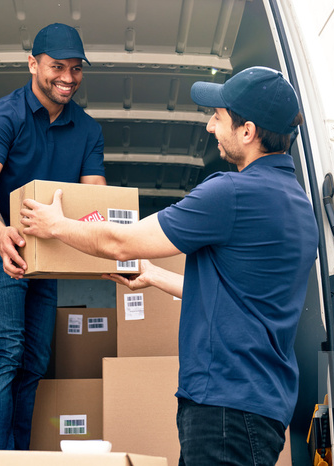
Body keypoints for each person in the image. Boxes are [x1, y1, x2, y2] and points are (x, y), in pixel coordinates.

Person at [19, 66, 318, 465]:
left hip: (223, 408)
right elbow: (244, 299)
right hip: (261, 406)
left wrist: (56, 226)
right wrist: (157, 276)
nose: (211, 126)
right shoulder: (298, 206)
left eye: (219, 116)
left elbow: (120, 242)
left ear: (247, 131)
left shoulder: (231, 193)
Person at [0, 23, 106, 450]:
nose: (68, 77)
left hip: (48, 253)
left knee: (33, 362)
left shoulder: (88, 129)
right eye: (57, 66)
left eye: (76, 68)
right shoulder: (3, 115)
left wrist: (106, 247)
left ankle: (16, 458)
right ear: (32, 63)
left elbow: (94, 198)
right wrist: (1, 233)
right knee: (5, 353)